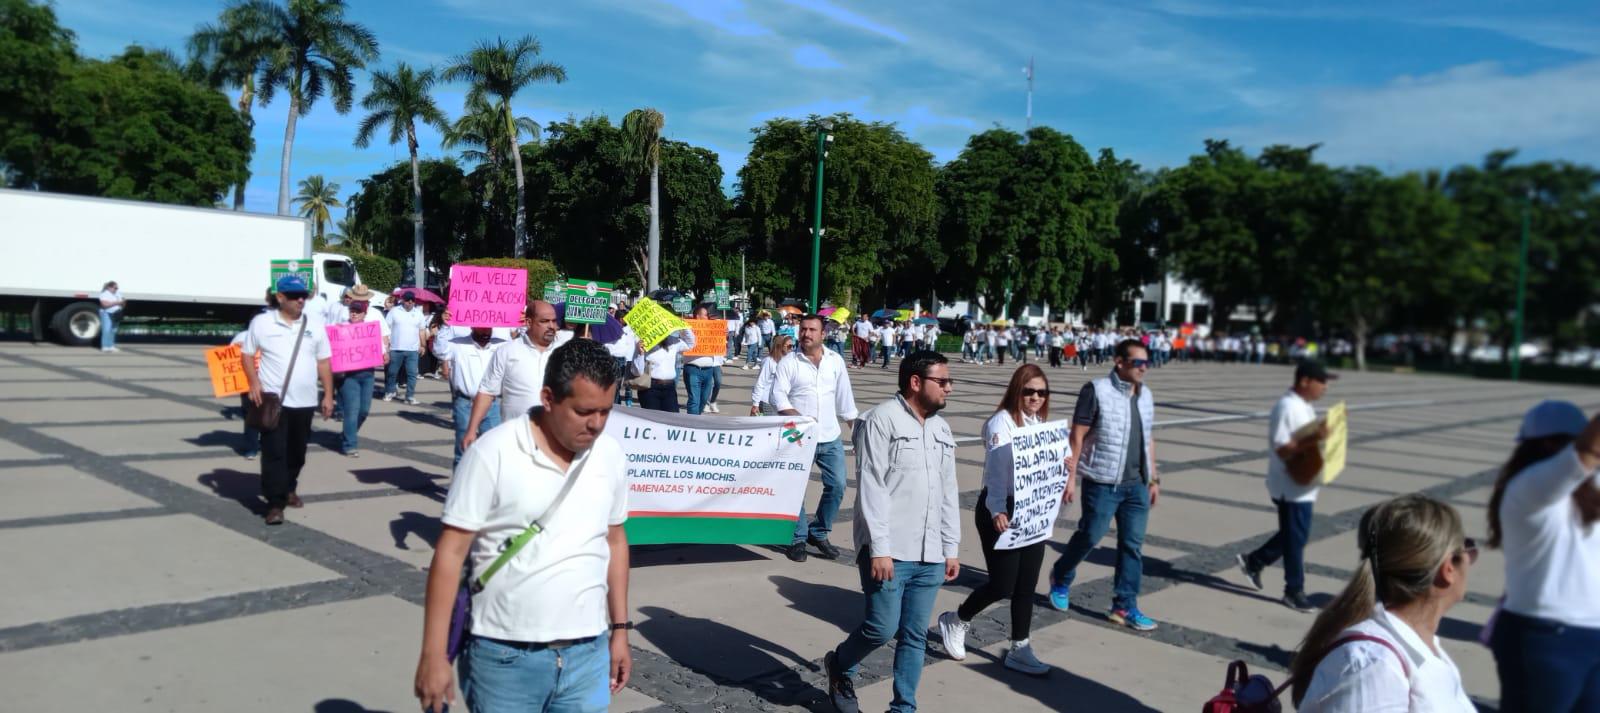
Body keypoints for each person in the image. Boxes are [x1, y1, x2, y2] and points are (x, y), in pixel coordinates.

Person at [414, 339, 632, 713]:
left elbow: (615, 541)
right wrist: (433, 654)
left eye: (605, 412)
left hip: (587, 655)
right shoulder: (492, 453)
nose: (596, 424)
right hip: (504, 658)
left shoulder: (609, 455)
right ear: (548, 398)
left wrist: (620, 631)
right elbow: (450, 554)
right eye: (583, 411)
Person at [824, 351, 958, 713]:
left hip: (930, 552)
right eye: (942, 381)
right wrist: (879, 548)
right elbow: (872, 487)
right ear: (916, 382)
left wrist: (951, 547)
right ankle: (840, 664)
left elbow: (948, 492)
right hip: (890, 551)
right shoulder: (880, 421)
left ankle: (903, 708)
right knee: (882, 628)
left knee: (914, 635)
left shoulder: (942, 429)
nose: (949, 387)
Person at [1290, 495, 1476, 712]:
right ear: (1448, 569)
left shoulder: (1421, 643)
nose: (1472, 559)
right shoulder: (1373, 665)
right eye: (1468, 548)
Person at [938, 364, 1055, 676]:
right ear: (1017, 389)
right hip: (1001, 508)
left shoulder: (1038, 421)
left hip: (1032, 509)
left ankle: (1020, 647)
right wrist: (997, 510)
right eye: (1029, 391)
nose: (1035, 398)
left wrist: (1062, 462)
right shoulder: (1000, 424)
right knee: (1003, 584)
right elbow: (996, 471)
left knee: (1026, 585)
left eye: (1042, 392)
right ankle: (957, 618)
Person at [1486, 401, 1600, 711]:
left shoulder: (1591, 492)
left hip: (1592, 636)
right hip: (1543, 639)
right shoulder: (1529, 488)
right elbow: (1585, 454)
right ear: (1550, 445)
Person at [1047, 338, 1160, 631]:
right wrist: (1070, 478)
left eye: (1146, 362)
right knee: (1090, 535)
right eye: (1138, 362)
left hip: (1136, 485)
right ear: (1119, 362)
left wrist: (1154, 477)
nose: (1144, 368)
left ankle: (1124, 606)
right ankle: (1061, 575)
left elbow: (1148, 437)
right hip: (1101, 481)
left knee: (1132, 546)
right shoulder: (1096, 390)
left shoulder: (1145, 395)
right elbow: (1078, 435)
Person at [1235, 360, 1338, 612]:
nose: (1325, 387)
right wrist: (1316, 437)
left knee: (1295, 535)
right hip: (1290, 484)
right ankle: (1294, 590)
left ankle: (1254, 561)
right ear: (1304, 381)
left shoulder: (1303, 406)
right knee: (1295, 538)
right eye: (1321, 381)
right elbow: (1282, 447)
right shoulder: (1287, 407)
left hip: (1303, 483)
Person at [240, 274, 335, 526]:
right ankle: (274, 503)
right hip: (274, 401)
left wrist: (328, 394)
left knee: (297, 453)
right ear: (280, 297)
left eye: (303, 295)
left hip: (304, 403)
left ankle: (289, 487)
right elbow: (247, 355)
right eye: (294, 296)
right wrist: (253, 382)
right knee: (274, 453)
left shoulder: (314, 324)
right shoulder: (261, 323)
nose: (300, 300)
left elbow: (324, 361)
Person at [772, 315, 859, 563]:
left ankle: (818, 532)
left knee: (839, 485)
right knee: (795, 489)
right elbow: (778, 397)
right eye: (803, 329)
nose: (806, 334)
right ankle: (797, 537)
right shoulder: (789, 362)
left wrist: (857, 434)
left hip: (830, 436)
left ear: (823, 334)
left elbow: (846, 401)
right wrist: (800, 419)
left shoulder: (835, 361)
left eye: (812, 330)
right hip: (799, 437)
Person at [462, 301, 559, 452]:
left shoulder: (564, 353)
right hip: (515, 439)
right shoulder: (507, 351)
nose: (551, 326)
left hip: (554, 440)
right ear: (529, 322)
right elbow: (487, 392)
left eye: (554, 321)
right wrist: (471, 429)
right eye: (544, 321)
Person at [332, 284, 391, 458]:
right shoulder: (342, 319)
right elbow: (333, 341)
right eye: (353, 310)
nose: (354, 313)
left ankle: (347, 434)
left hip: (368, 372)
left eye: (358, 311)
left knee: (364, 410)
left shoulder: (375, 316)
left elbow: (383, 337)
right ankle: (350, 444)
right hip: (348, 374)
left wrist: (385, 351)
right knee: (352, 409)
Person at [437, 325, 507, 468]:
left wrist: (524, 325)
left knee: (492, 448)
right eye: (482, 328)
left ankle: (486, 487)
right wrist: (445, 325)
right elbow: (439, 350)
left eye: (489, 328)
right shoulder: (457, 344)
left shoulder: (501, 345)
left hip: (491, 404)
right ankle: (459, 488)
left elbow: (519, 347)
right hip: (466, 403)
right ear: (473, 326)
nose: (486, 331)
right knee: (464, 449)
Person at [635, 320, 695, 413]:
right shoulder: (645, 342)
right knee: (653, 420)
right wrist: (640, 353)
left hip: (669, 387)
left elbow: (690, 344)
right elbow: (637, 371)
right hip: (650, 387)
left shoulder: (673, 341)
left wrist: (684, 326)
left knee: (672, 419)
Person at [383, 291, 430, 405]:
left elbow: (422, 330)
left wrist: (423, 345)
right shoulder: (394, 312)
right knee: (392, 372)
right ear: (403, 300)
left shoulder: (419, 314)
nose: (410, 302)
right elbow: (386, 328)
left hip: (413, 350)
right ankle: (390, 391)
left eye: (412, 300)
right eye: (408, 300)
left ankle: (409, 396)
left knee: (412, 374)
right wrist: (387, 345)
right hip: (396, 348)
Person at [684, 306, 723, 415]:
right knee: (694, 400)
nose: (708, 317)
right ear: (698, 316)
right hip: (693, 369)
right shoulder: (688, 328)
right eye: (705, 315)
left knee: (703, 399)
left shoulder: (712, 329)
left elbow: (719, 344)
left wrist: (722, 332)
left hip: (708, 370)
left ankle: (697, 417)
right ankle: (692, 425)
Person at [750, 335, 793, 416]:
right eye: (789, 346)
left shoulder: (788, 362)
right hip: (768, 402)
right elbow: (760, 383)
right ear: (780, 345)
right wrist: (755, 404)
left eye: (793, 346)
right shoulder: (769, 361)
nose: (792, 349)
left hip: (783, 403)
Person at [97, 280, 125, 352]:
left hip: (117, 313)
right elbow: (105, 305)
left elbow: (123, 302)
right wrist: (117, 302)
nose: (116, 289)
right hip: (107, 313)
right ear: (109, 287)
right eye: (115, 288)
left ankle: (111, 345)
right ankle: (105, 346)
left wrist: (120, 303)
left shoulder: (118, 293)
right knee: (106, 329)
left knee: (114, 330)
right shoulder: (104, 294)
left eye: (117, 288)